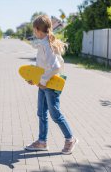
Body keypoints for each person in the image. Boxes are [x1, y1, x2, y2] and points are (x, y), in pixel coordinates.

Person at [25, 15, 78, 155]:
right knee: (41, 113)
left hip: (50, 85)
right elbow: (44, 67)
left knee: (55, 114)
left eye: (34, 30)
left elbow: (55, 67)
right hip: (44, 84)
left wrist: (41, 82)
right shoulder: (45, 42)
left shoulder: (46, 45)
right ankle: (42, 142)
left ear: (37, 30)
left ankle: (70, 139)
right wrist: (35, 79)